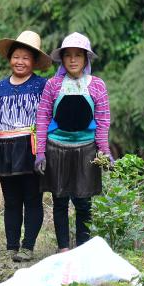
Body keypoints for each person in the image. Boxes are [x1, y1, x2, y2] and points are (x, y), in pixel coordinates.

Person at [34, 32, 111, 251]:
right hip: (56, 147)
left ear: (86, 59)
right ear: (62, 59)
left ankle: (82, 250)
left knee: (83, 202)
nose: (73, 60)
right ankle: (63, 249)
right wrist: (41, 152)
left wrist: (103, 150)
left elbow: (103, 120)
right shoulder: (53, 85)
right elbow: (42, 118)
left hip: (86, 150)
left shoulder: (97, 85)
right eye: (68, 55)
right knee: (60, 200)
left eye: (79, 55)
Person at [0, 30, 51, 262]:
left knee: (32, 198)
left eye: (26, 57)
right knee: (11, 199)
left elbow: (48, 118)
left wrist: (44, 149)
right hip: (4, 146)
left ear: (33, 61)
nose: (20, 61)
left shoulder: (43, 86)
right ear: (9, 59)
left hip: (30, 147)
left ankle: (28, 246)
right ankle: (11, 246)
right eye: (16, 56)